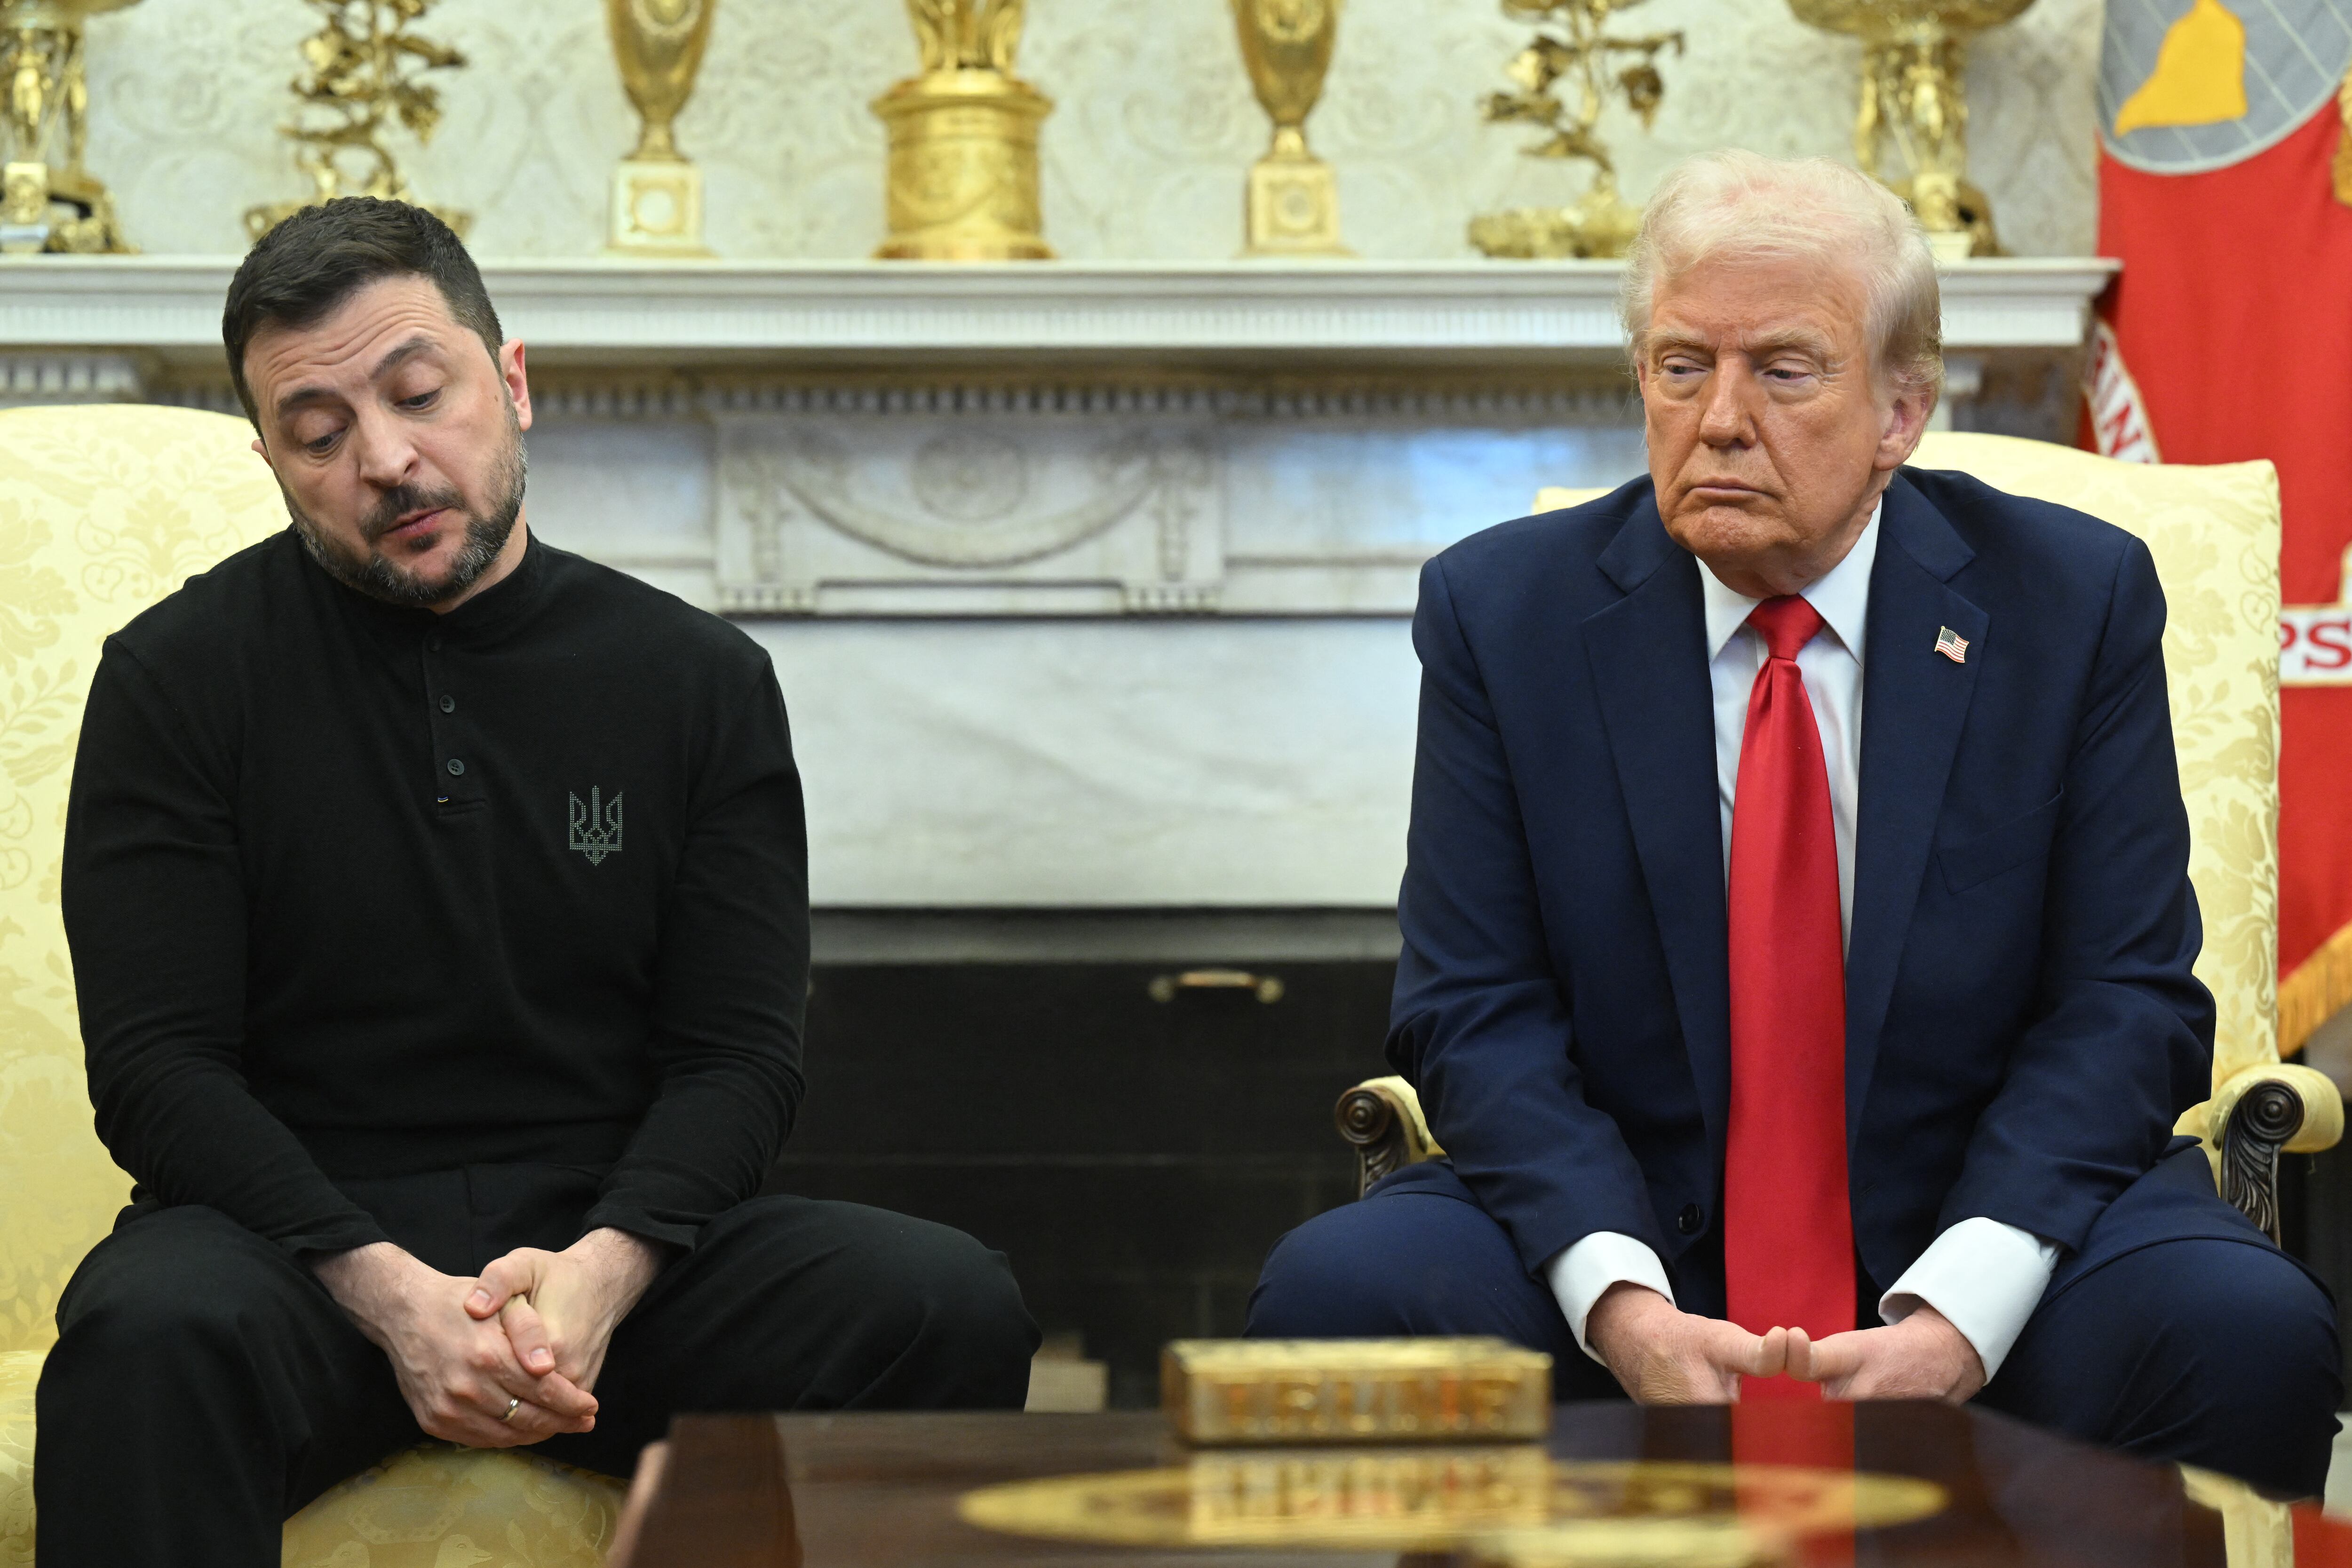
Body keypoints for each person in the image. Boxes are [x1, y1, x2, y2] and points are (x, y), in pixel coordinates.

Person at [1247, 151, 2340, 1496]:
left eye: (1783, 370)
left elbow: (2126, 1000)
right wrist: (1621, 1304)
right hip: (1626, 1225)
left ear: (1902, 412)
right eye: (1679, 366)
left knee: (2245, 1332)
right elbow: (1473, 1008)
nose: (1716, 419)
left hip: (1985, 1214)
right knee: (1345, 1289)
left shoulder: (2071, 601)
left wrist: (1962, 1309)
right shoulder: (1503, 616)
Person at [35, 197, 1039, 1567]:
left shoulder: (695, 681)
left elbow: (739, 1057)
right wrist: (389, 1296)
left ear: (512, 384)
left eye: (418, 393)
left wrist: (602, 1274)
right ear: (274, 461)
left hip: (616, 1258)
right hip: (296, 1260)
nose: (386, 459)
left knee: (944, 1303)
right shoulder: (176, 681)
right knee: (145, 1336)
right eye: (320, 434)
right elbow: (158, 1070)